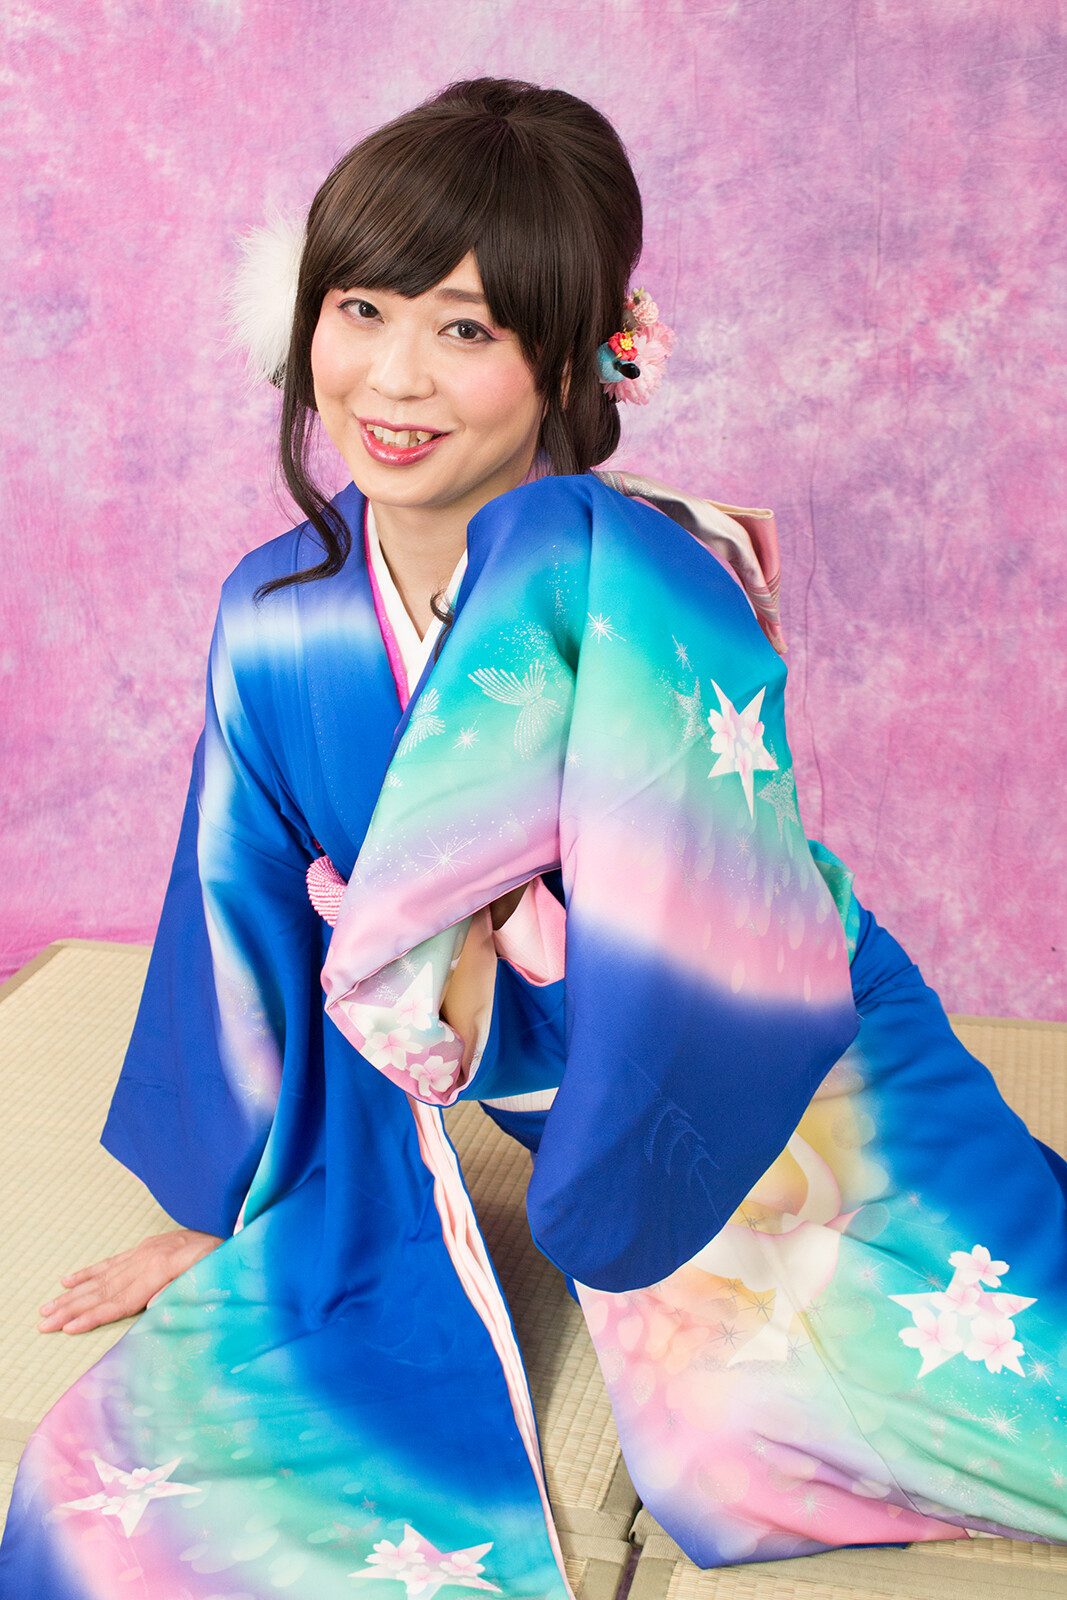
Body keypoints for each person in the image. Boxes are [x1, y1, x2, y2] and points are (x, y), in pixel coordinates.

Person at [2, 76, 1066, 1599]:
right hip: (557, 1099)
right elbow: (240, 905)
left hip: (781, 1076)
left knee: (892, 1403)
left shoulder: (643, 576)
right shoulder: (277, 615)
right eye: (361, 309)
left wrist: (451, 952)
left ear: (567, 356)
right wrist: (234, 1204)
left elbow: (710, 916)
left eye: (466, 329)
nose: (392, 378)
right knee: (159, 1501)